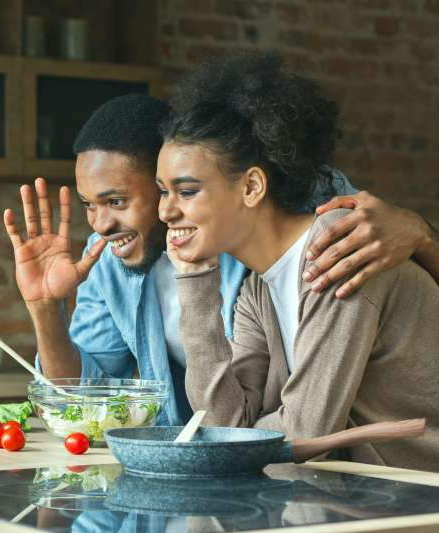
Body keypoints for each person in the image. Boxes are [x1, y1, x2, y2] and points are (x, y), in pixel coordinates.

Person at [3, 94, 439, 427]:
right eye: (88, 205)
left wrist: (421, 234)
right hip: (281, 477)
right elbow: (84, 401)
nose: (99, 224)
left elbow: (303, 429)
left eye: (117, 200)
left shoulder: (323, 237)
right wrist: (45, 309)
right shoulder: (252, 284)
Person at [157, 51, 439, 470]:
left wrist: (238, 442)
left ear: (251, 186)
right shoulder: (258, 288)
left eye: (187, 191)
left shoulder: (339, 245)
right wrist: (196, 281)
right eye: (163, 191)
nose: (165, 211)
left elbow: (307, 432)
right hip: (370, 499)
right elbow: (220, 425)